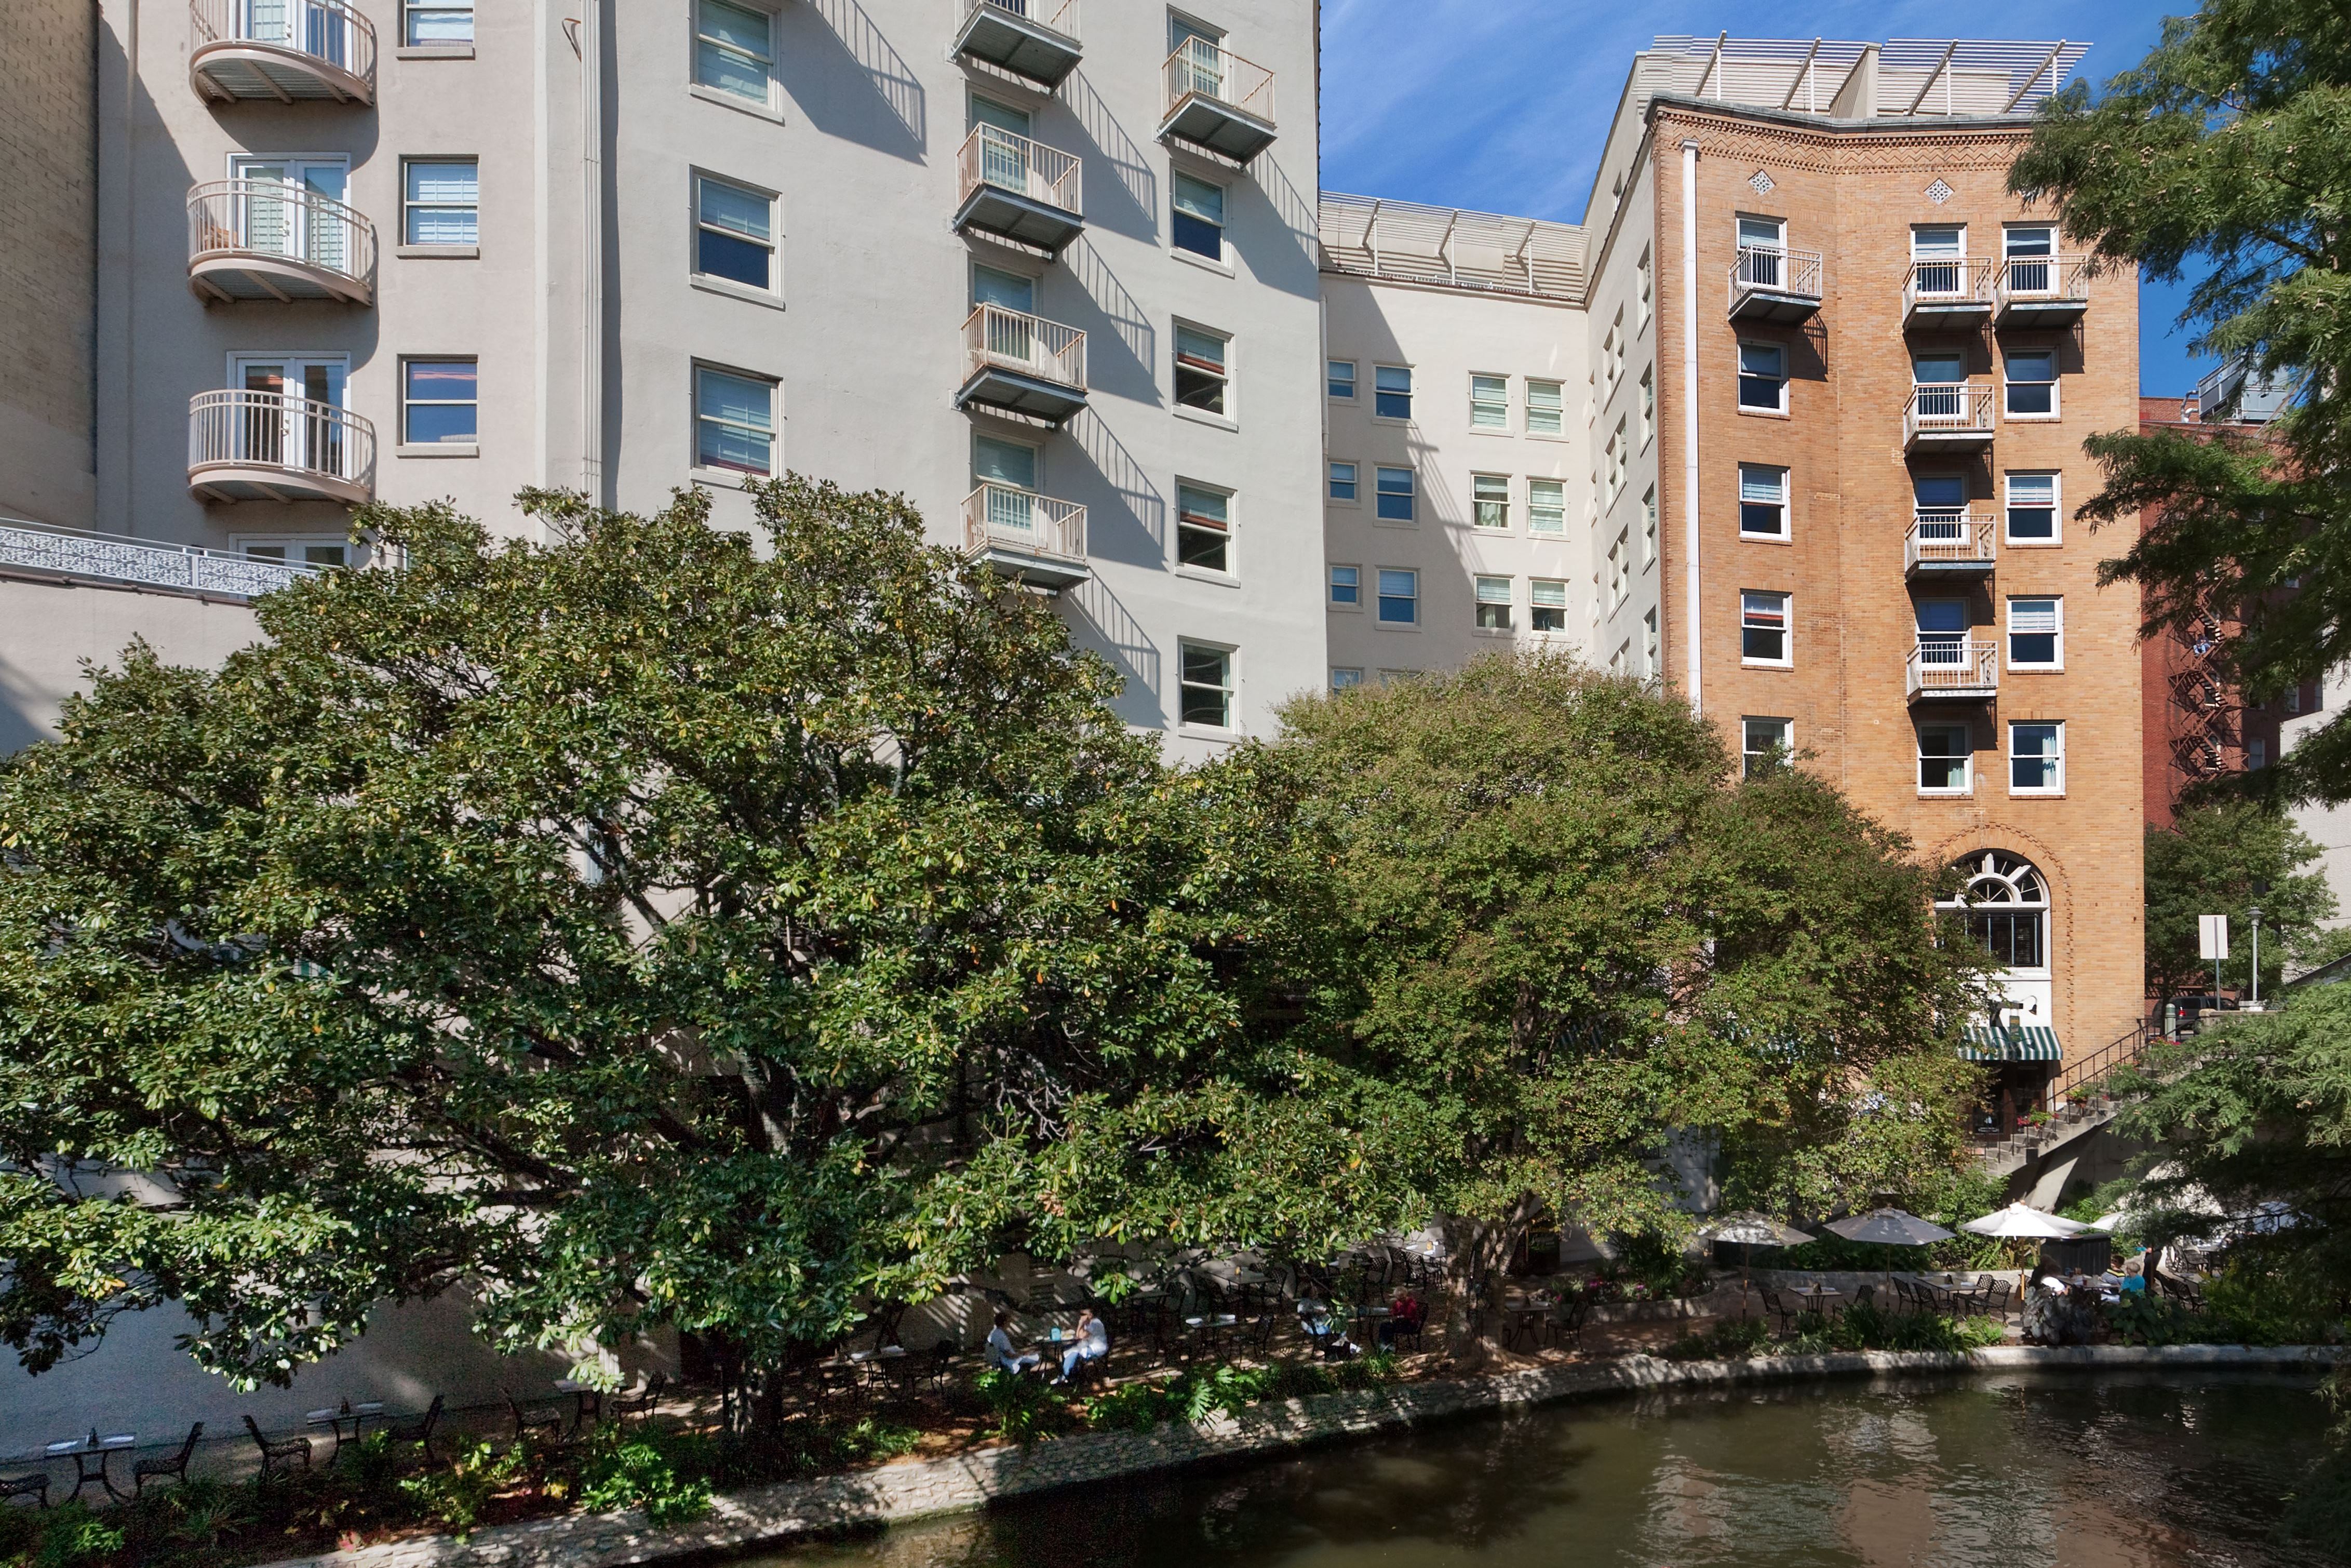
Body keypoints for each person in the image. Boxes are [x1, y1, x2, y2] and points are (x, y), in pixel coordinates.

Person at [1055, 1308, 1109, 1384]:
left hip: (1097, 1349)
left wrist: (1081, 1323)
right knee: (1068, 1349)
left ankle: (1065, 1376)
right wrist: (1069, 1326)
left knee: (1073, 1353)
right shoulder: (1089, 1323)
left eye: (1083, 1315)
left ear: (1090, 1315)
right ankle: (1071, 1374)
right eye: (1080, 1314)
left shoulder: (1095, 1324)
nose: (1081, 1316)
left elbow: (1080, 1335)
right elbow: (1080, 1333)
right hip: (1089, 1345)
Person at [986, 1310, 1040, 1375]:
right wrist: (1023, 1354)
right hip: (1008, 1362)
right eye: (1009, 1322)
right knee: (1036, 1357)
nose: (1010, 1324)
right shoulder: (1002, 1337)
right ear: (1005, 1322)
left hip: (1000, 1359)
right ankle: (1031, 1375)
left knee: (1032, 1356)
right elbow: (1010, 1356)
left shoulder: (993, 1333)